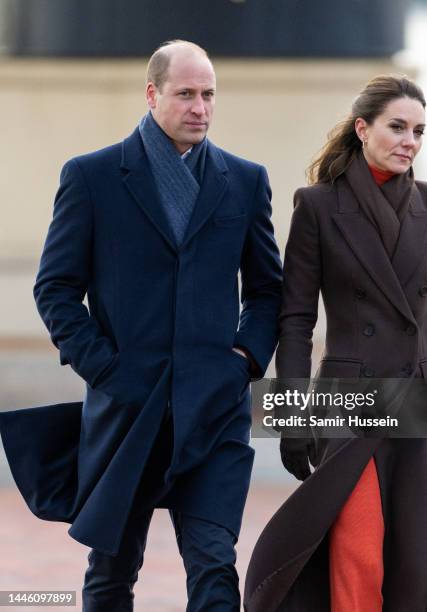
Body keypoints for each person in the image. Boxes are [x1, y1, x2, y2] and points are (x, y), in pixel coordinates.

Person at [0, 40, 282, 611]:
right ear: (153, 95)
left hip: (213, 408)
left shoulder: (246, 181)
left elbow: (268, 289)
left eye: (208, 95)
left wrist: (244, 361)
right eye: (186, 94)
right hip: (128, 411)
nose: (200, 107)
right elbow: (55, 288)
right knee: (110, 572)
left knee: (214, 565)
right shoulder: (92, 177)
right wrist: (108, 370)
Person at [244, 75, 427, 612]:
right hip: (349, 402)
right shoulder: (316, 206)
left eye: (419, 131)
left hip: (423, 400)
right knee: (358, 557)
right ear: (363, 129)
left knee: (422, 564)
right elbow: (295, 320)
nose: (410, 141)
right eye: (398, 127)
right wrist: (292, 419)